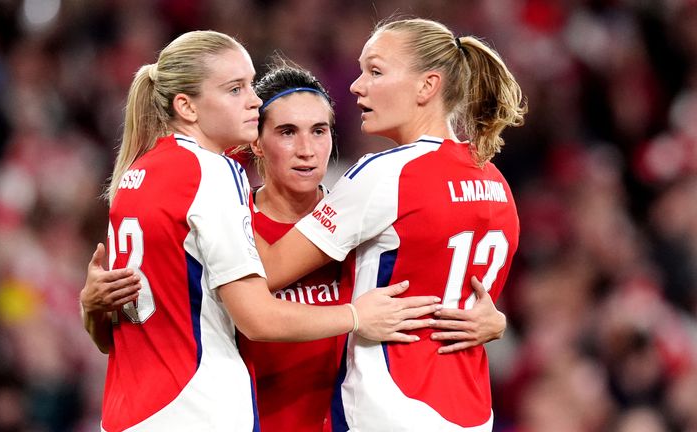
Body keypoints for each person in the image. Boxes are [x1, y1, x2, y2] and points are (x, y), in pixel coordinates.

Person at [81, 30, 443, 431]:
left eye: (319, 130)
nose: (306, 148)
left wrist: (488, 321)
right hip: (218, 411)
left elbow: (429, 298)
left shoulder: (363, 223)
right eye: (287, 132)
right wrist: (356, 315)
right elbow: (252, 313)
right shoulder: (218, 191)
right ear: (257, 141)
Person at [255, 18, 526, 431]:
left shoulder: (388, 174)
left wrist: (211, 198)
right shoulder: (495, 181)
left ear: (427, 86)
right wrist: (498, 323)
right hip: (470, 412)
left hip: (389, 405)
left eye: (376, 71)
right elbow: (471, 302)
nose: (356, 86)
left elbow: (269, 269)